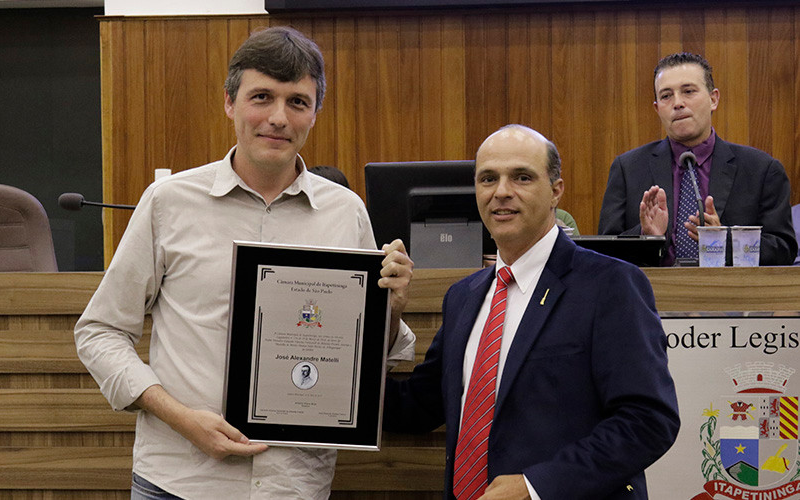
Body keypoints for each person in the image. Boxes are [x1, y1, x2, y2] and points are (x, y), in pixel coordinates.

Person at [74, 26, 415, 499]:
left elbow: (366, 355)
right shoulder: (169, 202)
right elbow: (100, 331)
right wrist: (180, 418)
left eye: (297, 101)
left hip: (293, 485)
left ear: (315, 114)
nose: (277, 117)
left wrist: (391, 308)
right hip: (178, 481)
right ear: (230, 103)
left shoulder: (346, 212)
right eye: (261, 97)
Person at [384, 125, 679, 500]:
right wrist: (382, 322)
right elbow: (416, 408)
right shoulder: (463, 297)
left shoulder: (610, 285)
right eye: (488, 178)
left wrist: (537, 486)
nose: (501, 191)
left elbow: (649, 421)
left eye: (521, 177)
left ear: (556, 190)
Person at [598, 52, 797, 266]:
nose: (678, 103)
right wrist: (646, 235)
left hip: (729, 296)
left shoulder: (761, 169)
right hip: (652, 295)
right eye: (666, 96)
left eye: (688, 91)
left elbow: (783, 249)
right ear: (657, 109)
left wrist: (724, 241)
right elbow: (605, 253)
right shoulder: (628, 169)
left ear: (713, 99)